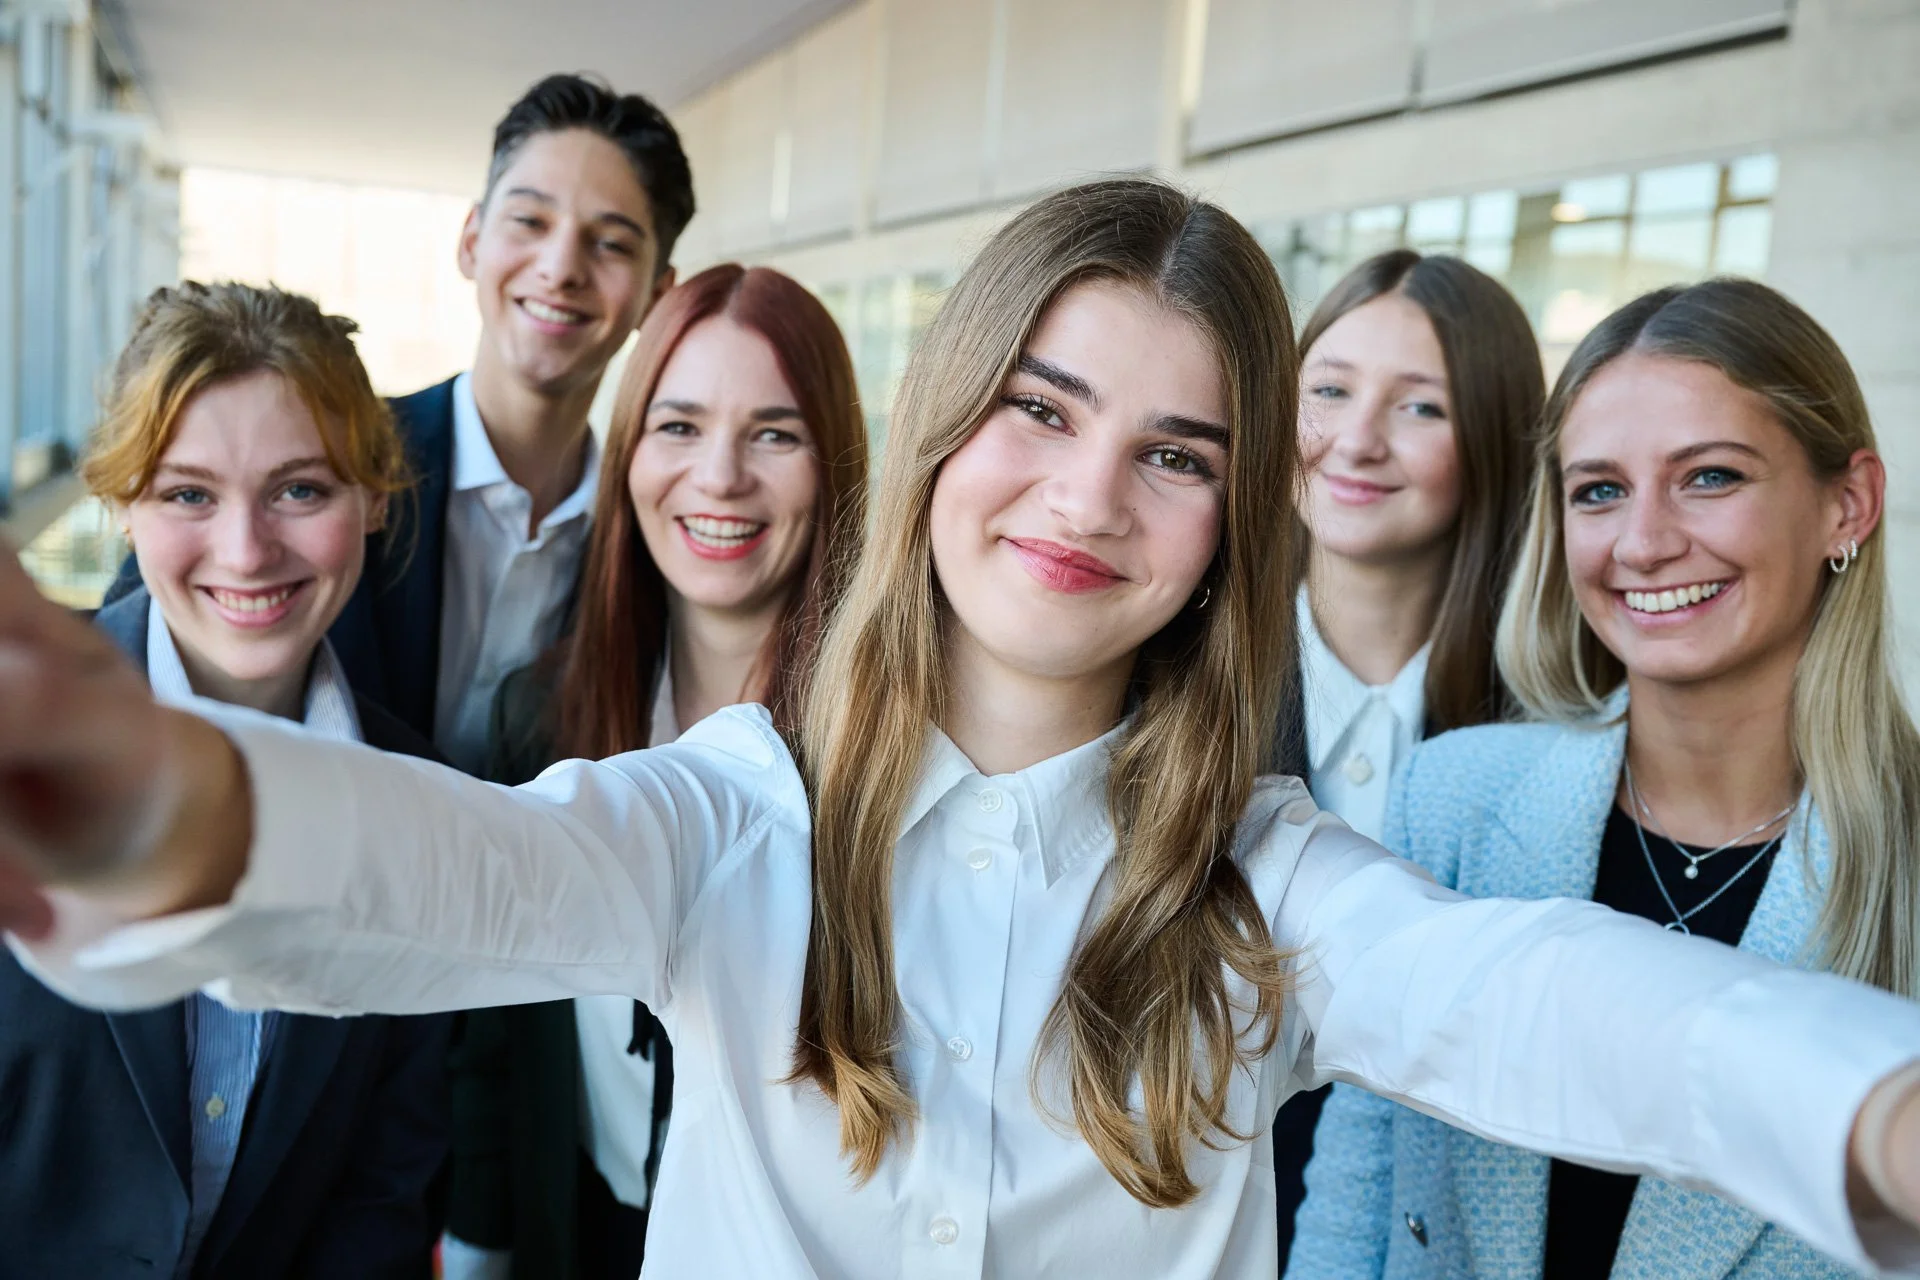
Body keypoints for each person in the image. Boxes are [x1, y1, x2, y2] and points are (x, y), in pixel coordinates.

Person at [9, 181, 1920, 1280]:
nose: (1086, 498)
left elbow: (1533, 997)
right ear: (937, 427)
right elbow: (475, 872)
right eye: (1040, 408)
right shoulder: (741, 813)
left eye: (1176, 454)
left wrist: (1877, 1109)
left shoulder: (1268, 885)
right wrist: (169, 798)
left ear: (1229, 526)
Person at [1287, 278, 1914, 1280]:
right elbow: (1352, 1214)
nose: (1644, 542)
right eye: (1600, 490)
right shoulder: (1454, 797)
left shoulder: (1901, 852)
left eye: (1710, 477)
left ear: (1849, 504)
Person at [0, 282, 451, 1278]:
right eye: (188, 494)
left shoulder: (419, 797)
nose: (246, 551)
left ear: (376, 498)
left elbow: (381, 1191)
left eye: (301, 490)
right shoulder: (16, 741)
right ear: (122, 505)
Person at [444, 264, 867, 1280]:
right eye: (678, 426)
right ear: (629, 450)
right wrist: (481, 1241)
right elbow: (502, 1024)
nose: (719, 477)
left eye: (775, 434)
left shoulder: (888, 747)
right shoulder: (539, 712)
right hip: (581, 1216)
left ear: (836, 463)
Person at [105, 73, 694, 771]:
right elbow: (148, 634)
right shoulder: (324, 458)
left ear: (658, 294)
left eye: (612, 244)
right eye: (530, 222)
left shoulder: (656, 536)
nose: (561, 268)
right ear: (471, 241)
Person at [1269, 251, 1541, 1264]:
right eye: (1330, 391)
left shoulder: (1553, 727)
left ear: (1495, 438)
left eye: (1420, 407)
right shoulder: (1177, 683)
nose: (1356, 440)